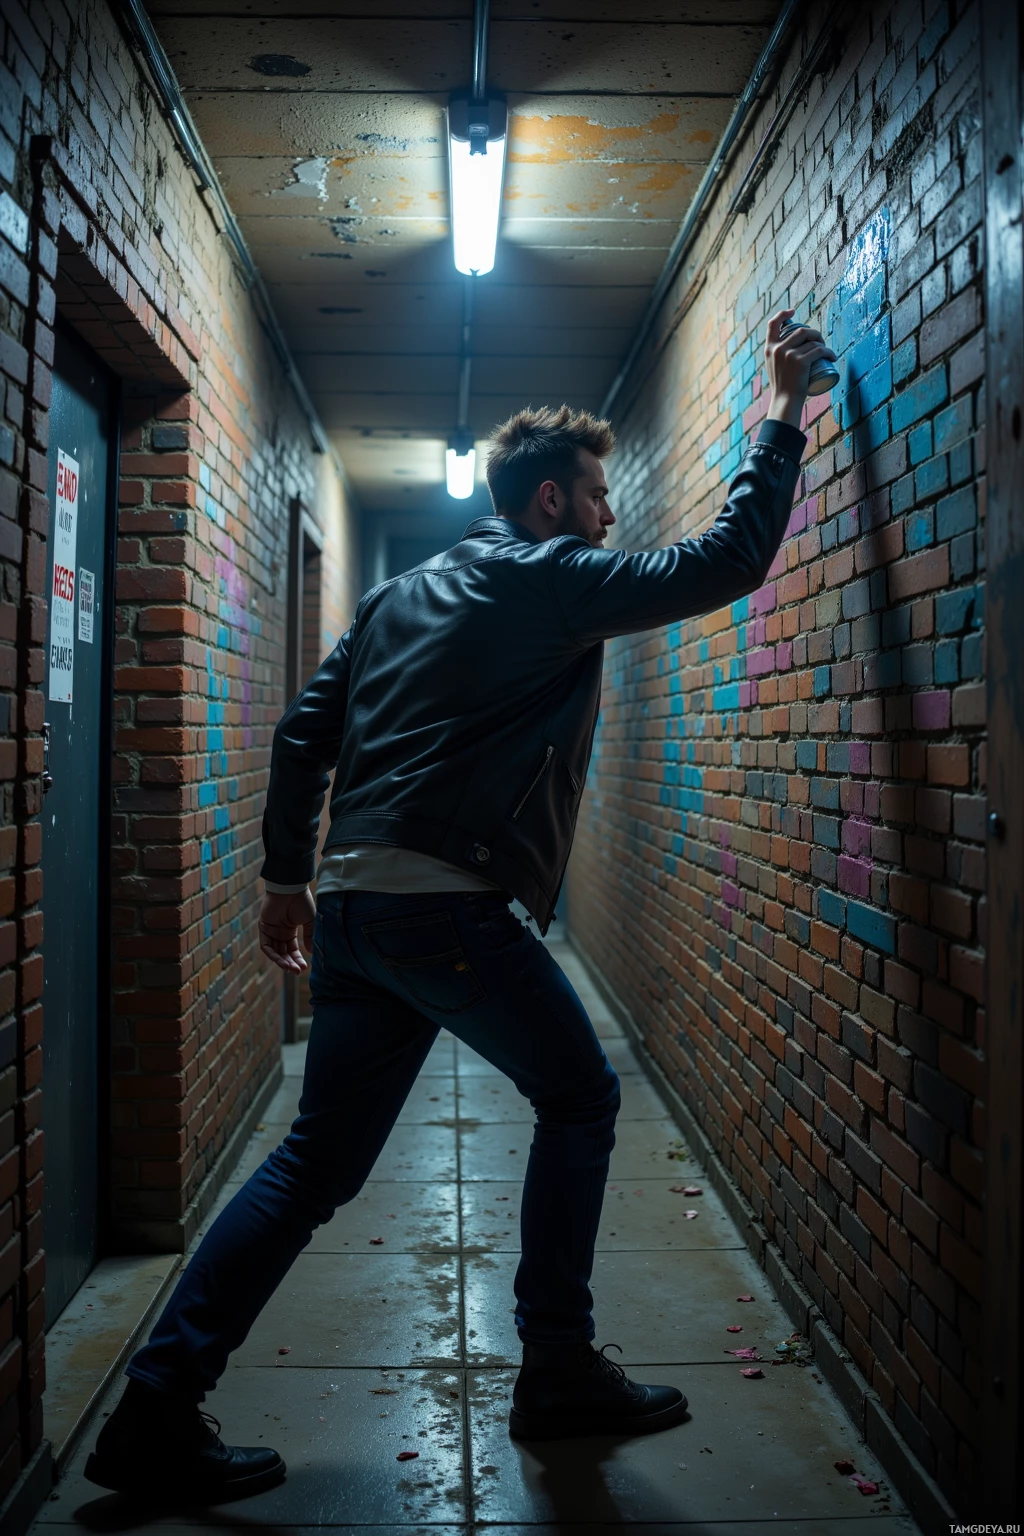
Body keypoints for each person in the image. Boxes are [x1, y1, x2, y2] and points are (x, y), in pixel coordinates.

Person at [86, 310, 834, 1501]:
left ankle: (151, 1412)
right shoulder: (550, 579)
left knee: (310, 1165)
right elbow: (726, 563)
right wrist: (782, 414)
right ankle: (557, 1369)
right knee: (580, 1096)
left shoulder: (393, 598)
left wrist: (288, 878)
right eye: (594, 498)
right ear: (546, 504)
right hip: (446, 905)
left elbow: (299, 736)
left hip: (358, 911)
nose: (607, 517)